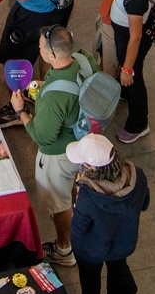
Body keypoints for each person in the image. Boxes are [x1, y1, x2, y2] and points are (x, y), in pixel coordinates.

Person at [8, 23, 99, 265]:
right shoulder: (85, 59)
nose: (38, 49)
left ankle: (64, 249)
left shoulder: (55, 96)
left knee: (59, 202)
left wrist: (21, 113)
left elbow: (44, 138)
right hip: (85, 144)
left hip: (60, 155)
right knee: (73, 190)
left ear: (51, 55)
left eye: (40, 47)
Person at [65, 133, 148, 294]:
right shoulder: (137, 176)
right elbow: (144, 204)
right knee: (119, 269)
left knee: (90, 288)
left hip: (91, 250)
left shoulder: (88, 195)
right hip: (124, 242)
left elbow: (77, 229)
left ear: (92, 169)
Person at [109, 0, 155, 143]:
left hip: (130, 41)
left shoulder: (137, 0)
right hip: (123, 37)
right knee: (128, 74)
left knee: (135, 79)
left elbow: (136, 37)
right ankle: (125, 89)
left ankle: (139, 124)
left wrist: (127, 69)